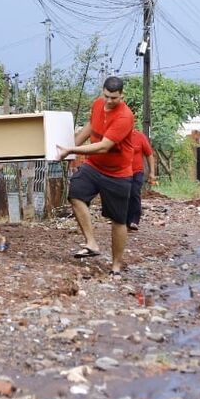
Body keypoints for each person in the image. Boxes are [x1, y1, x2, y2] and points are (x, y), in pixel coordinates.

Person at [56, 76, 134, 278]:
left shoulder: (125, 116)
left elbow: (103, 146)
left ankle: (116, 265)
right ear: (103, 92)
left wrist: (72, 149)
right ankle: (91, 243)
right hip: (94, 167)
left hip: (118, 173)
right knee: (76, 193)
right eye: (107, 96)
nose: (109, 101)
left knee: (118, 220)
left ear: (121, 96)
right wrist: (69, 150)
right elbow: (91, 127)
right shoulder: (97, 104)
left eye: (114, 98)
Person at [126, 128, 157, 231]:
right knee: (124, 195)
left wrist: (152, 173)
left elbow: (149, 154)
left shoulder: (140, 137)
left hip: (137, 172)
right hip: (122, 172)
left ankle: (135, 220)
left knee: (134, 192)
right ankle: (125, 220)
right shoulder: (119, 136)